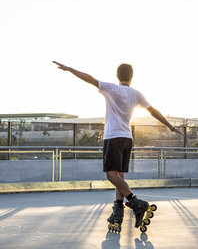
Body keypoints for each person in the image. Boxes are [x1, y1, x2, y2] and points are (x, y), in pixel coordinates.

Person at [53, 61, 184, 229]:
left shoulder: (111, 88)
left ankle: (136, 203)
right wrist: (171, 126)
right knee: (120, 177)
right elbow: (154, 111)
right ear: (132, 76)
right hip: (127, 139)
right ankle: (118, 212)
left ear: (117, 76)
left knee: (111, 176)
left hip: (113, 137)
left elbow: (89, 78)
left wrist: (70, 69)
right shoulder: (136, 94)